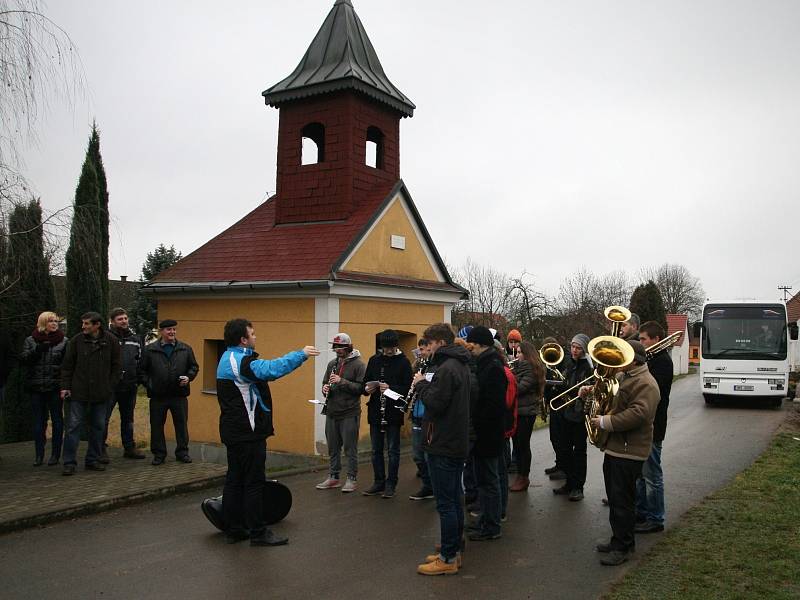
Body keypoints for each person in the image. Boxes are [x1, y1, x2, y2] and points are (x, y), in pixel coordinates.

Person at [216, 318, 319, 546]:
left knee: (234, 479)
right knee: (254, 482)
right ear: (243, 340)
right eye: (252, 334)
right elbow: (271, 370)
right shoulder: (241, 363)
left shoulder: (227, 357)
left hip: (234, 432)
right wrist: (300, 354)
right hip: (248, 433)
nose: (255, 337)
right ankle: (258, 532)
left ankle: (234, 529)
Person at [588, 340, 659, 565]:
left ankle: (624, 547)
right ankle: (617, 540)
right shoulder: (626, 377)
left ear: (634, 360)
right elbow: (613, 398)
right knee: (616, 498)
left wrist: (605, 422)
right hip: (617, 448)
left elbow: (639, 414)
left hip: (629, 451)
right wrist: (590, 392)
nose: (618, 364)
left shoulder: (646, 382)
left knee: (623, 501)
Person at [412, 323, 471, 575]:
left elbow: (436, 403)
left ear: (440, 342)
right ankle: (452, 550)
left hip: (443, 442)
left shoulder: (447, 368)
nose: (428, 347)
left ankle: (447, 558)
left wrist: (421, 384)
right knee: (454, 499)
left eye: (430, 342)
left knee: (446, 503)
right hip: (454, 440)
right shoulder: (459, 364)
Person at [60, 312, 122, 475]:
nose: (83, 326)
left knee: (98, 427)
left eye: (87, 324)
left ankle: (93, 459)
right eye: (83, 323)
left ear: (97, 325)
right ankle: (69, 462)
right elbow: (67, 366)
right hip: (79, 392)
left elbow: (116, 367)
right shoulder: (76, 341)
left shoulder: (111, 341)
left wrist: (109, 386)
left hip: (101, 393)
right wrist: (65, 386)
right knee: (73, 427)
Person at [465, 326, 506, 541]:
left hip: (488, 435)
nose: (468, 346)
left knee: (489, 481)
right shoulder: (485, 364)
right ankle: (485, 520)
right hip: (484, 433)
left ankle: (492, 526)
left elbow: (493, 405)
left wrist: (479, 427)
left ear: (480, 343)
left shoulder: (492, 366)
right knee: (484, 481)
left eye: (471, 343)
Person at [139, 319, 198, 465]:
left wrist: (189, 377)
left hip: (179, 395)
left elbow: (194, 367)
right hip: (158, 396)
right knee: (157, 426)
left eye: (174, 329)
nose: (172, 332)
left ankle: (182, 453)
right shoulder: (150, 349)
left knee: (181, 425)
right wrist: (150, 384)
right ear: (161, 332)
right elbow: (141, 371)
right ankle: (159, 454)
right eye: (168, 330)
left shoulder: (185, 349)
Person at [362, 329, 413, 499]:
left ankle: (391, 483)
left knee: (393, 450)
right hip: (376, 409)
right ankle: (378, 482)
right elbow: (365, 383)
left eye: (391, 347)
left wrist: (391, 388)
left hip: (393, 411)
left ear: (396, 345)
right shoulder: (374, 360)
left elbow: (407, 389)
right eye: (385, 348)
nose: (388, 351)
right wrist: (368, 388)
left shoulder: (404, 362)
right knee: (376, 449)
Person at [635, 321, 673, 534]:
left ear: (656, 340)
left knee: (652, 475)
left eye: (643, 339)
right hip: (645, 426)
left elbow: (649, 392)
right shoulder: (651, 359)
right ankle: (641, 513)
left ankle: (656, 518)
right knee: (641, 474)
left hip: (654, 425)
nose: (640, 343)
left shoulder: (662, 362)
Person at [316, 333, 365, 493]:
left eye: (340, 347)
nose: (337, 350)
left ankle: (352, 478)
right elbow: (325, 382)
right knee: (333, 447)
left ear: (348, 347)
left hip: (349, 412)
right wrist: (324, 389)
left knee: (350, 448)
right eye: (335, 347)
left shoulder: (359, 365)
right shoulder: (332, 364)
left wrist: (341, 381)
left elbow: (361, 389)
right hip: (332, 411)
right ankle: (334, 477)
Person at [21, 311, 67, 466]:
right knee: (39, 422)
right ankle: (39, 455)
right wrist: (37, 350)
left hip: (54, 387)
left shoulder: (63, 341)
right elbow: (24, 360)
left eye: (56, 321)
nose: (55, 324)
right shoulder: (31, 340)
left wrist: (65, 385)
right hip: (37, 387)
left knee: (57, 421)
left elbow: (67, 366)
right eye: (51, 321)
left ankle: (55, 455)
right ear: (43, 323)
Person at [552, 333, 593, 501]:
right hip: (566, 413)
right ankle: (569, 483)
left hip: (580, 414)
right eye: (573, 347)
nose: (574, 350)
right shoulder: (569, 363)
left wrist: (586, 390)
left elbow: (592, 388)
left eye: (578, 348)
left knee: (579, 452)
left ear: (583, 349)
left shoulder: (589, 367)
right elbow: (565, 382)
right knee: (565, 450)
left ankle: (578, 487)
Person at [102, 308, 146, 461]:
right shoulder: (106, 338)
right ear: (112, 321)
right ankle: (101, 448)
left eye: (126, 318)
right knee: (104, 418)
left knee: (128, 418)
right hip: (110, 386)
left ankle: (129, 448)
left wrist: (138, 380)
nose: (124, 321)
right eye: (120, 319)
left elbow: (140, 361)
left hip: (129, 386)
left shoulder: (135, 339)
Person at [509, 341, 546, 492]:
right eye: (516, 353)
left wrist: (509, 377)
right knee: (518, 445)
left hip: (526, 413)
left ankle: (524, 477)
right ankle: (520, 475)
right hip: (520, 411)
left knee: (522, 445)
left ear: (527, 354)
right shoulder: (520, 368)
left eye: (519, 353)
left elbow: (520, 388)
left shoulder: (531, 369)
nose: (516, 355)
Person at [408, 337, 434, 501]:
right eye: (420, 350)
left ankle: (431, 486)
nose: (421, 353)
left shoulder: (436, 367)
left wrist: (422, 382)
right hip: (417, 414)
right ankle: (427, 484)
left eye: (424, 349)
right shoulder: (420, 365)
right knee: (417, 454)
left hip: (429, 416)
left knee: (427, 455)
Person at [543, 336, 569, 481]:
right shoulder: (548, 363)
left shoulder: (565, 360)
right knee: (554, 437)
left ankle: (565, 467)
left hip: (563, 403)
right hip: (553, 401)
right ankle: (559, 464)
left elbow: (566, 381)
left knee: (562, 438)